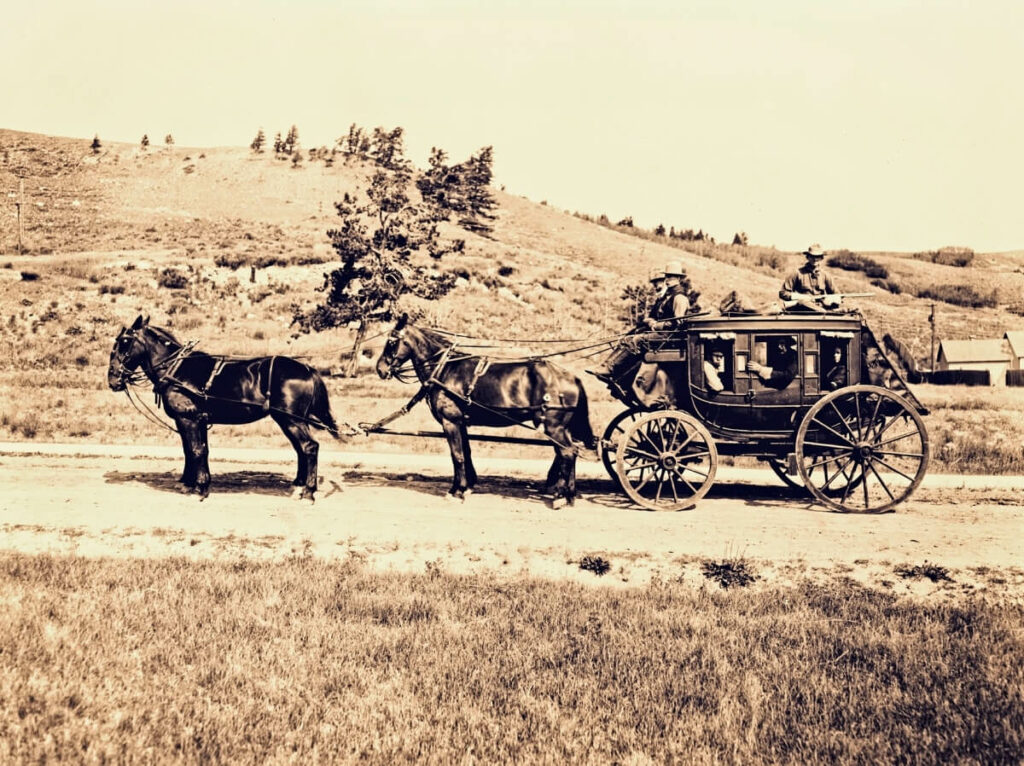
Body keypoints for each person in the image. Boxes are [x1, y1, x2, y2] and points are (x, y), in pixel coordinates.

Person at [780, 244, 840, 311]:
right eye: (812, 256)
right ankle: (822, 311)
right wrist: (801, 297)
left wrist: (830, 299)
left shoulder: (825, 275)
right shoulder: (797, 273)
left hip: (821, 307)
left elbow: (836, 294)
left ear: (821, 258)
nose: (815, 259)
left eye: (817, 256)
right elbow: (783, 293)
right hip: (802, 308)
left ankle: (822, 311)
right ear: (807, 257)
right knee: (803, 302)